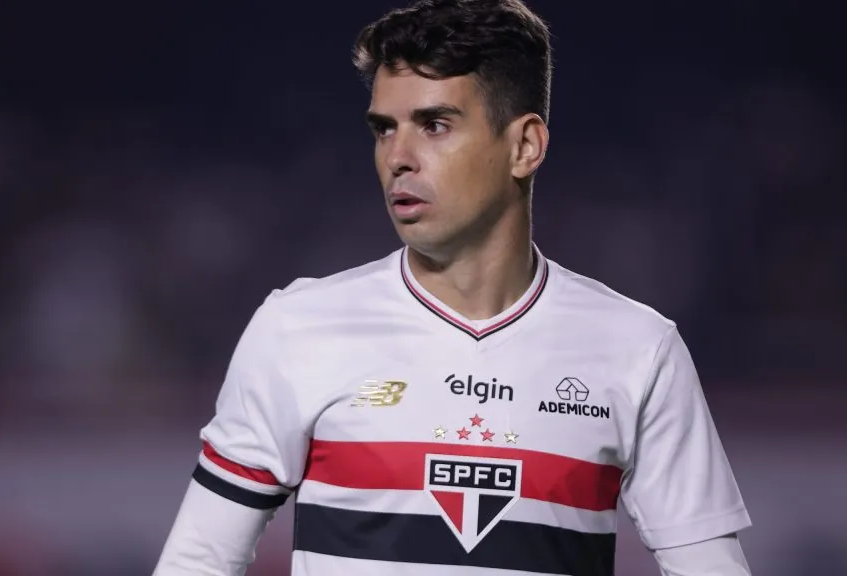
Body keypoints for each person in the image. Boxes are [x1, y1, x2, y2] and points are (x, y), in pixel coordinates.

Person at [152, 0, 753, 574]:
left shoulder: (638, 349)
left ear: (524, 146)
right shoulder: (298, 329)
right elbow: (197, 563)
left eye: (434, 124)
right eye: (384, 129)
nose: (399, 157)